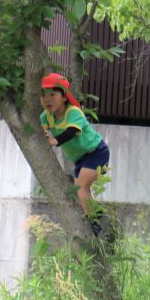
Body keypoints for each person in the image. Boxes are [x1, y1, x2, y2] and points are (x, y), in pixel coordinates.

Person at [39, 73, 110, 225]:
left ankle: (95, 222)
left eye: (53, 94)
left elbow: (72, 132)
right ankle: (99, 219)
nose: (47, 99)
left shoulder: (73, 112)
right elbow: (41, 128)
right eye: (43, 95)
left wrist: (54, 140)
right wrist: (44, 133)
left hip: (96, 152)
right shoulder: (46, 116)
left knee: (81, 188)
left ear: (64, 97)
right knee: (81, 193)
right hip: (80, 159)